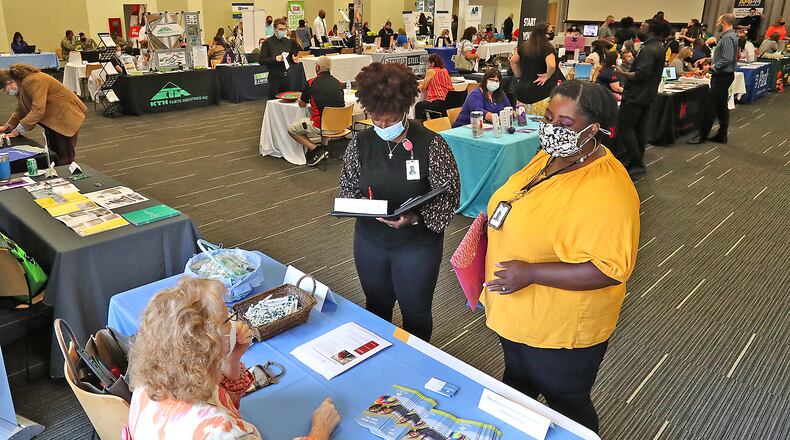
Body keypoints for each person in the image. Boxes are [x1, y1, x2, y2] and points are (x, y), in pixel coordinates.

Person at [482, 79, 638, 434]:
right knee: (517, 384)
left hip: (561, 326)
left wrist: (532, 273)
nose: (552, 129)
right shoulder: (551, 156)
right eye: (549, 118)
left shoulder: (608, 189)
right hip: (520, 313)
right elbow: (524, 195)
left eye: (564, 124)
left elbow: (610, 269)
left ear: (593, 129)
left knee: (566, 402)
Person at [125, 277, 341, 439]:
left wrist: (232, 357)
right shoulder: (223, 433)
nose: (235, 323)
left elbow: (223, 400)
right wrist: (319, 431)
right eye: (227, 318)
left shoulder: (150, 379)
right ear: (208, 344)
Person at [339, 62, 460, 342]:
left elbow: (450, 193)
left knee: (415, 312)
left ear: (405, 109)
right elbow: (348, 188)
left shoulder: (432, 144)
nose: (382, 125)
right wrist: (360, 205)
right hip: (370, 241)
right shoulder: (360, 143)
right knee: (376, 308)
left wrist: (415, 216)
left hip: (416, 245)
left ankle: (415, 363)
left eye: (390, 120)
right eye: (376, 118)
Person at [0, 65, 87, 165]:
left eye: (4, 91)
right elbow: (22, 108)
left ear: (9, 82)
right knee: (55, 154)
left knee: (65, 156)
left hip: (65, 117)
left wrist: (18, 130)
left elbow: (38, 109)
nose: (6, 93)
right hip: (53, 120)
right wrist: (8, 125)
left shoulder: (32, 80)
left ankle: (68, 176)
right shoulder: (20, 84)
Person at [614, 19, 668, 175]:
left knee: (626, 126)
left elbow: (641, 74)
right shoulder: (658, 47)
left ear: (651, 30)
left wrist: (622, 73)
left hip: (636, 96)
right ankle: (636, 160)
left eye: (643, 27)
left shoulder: (649, 49)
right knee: (639, 128)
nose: (639, 30)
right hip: (647, 95)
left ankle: (636, 161)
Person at [688, 14, 739, 145]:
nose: (716, 24)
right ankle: (722, 135)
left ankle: (702, 135)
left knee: (709, 106)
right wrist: (707, 59)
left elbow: (726, 59)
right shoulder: (730, 36)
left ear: (723, 22)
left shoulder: (728, 38)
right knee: (722, 106)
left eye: (718, 22)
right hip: (724, 75)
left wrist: (710, 68)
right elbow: (724, 56)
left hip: (722, 76)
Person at [287, 56, 344, 167]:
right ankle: (324, 147)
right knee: (326, 116)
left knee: (291, 129)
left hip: (321, 125)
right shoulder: (338, 83)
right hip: (340, 125)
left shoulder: (311, 83)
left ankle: (316, 149)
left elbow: (301, 104)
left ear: (317, 67)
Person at [510, 22, 560, 116]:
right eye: (550, 31)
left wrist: (518, 75)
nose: (552, 33)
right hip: (541, 94)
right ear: (543, 33)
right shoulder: (547, 48)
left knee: (522, 124)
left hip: (522, 93)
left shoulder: (525, 46)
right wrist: (547, 76)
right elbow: (551, 65)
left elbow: (513, 61)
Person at [259, 19, 301, 99]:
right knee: (274, 101)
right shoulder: (267, 43)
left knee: (288, 100)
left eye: (284, 29)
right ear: (275, 29)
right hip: (274, 77)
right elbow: (261, 60)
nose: (283, 31)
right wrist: (274, 59)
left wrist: (294, 60)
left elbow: (291, 58)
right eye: (280, 29)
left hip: (287, 77)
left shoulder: (289, 42)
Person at [414, 54, 453, 121]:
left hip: (437, 101)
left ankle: (421, 125)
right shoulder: (444, 70)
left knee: (419, 105)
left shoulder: (431, 71)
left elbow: (423, 87)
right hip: (448, 100)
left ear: (432, 63)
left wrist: (419, 85)